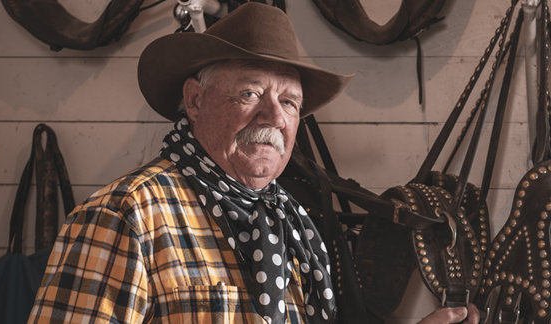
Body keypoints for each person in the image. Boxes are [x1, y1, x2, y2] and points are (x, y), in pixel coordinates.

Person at [27, 3, 478, 324]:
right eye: (249, 93)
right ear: (195, 101)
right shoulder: (128, 215)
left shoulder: (293, 225)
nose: (274, 117)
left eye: (289, 101)